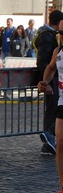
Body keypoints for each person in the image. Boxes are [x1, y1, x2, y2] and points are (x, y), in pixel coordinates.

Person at [38, 20, 63, 193]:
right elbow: (51, 68)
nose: (61, 36)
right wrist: (45, 82)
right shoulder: (58, 51)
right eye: (60, 32)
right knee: (60, 143)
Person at [34, 9, 63, 155]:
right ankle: (49, 137)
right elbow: (44, 62)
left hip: (55, 80)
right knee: (53, 109)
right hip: (53, 81)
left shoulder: (49, 35)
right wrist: (47, 83)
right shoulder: (47, 36)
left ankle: (51, 139)